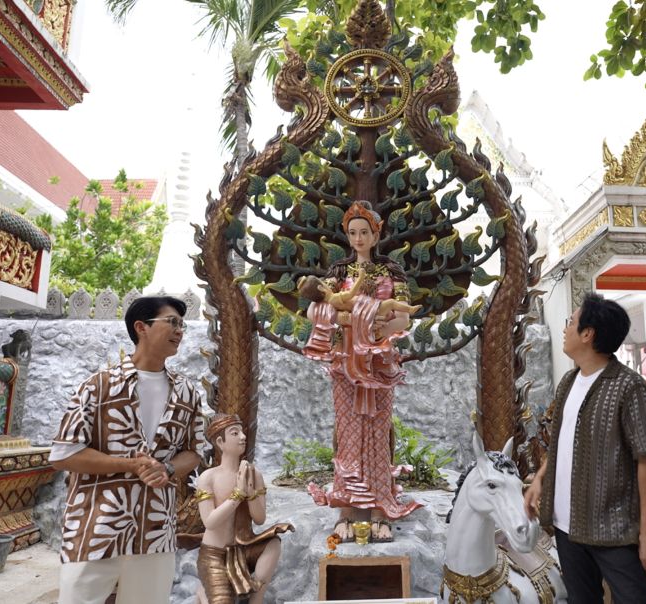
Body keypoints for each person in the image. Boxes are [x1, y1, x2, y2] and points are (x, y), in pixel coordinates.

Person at [49, 296, 207, 604]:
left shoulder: (187, 393)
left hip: (155, 530)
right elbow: (64, 454)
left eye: (182, 325)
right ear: (141, 327)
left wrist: (167, 469)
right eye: (172, 322)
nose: (180, 331)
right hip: (96, 527)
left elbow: (194, 451)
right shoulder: (98, 386)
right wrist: (129, 465)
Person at [523, 293, 646, 603]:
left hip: (613, 530)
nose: (565, 329)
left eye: (570, 322)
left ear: (587, 334)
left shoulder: (629, 386)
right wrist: (540, 479)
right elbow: (562, 441)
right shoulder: (568, 381)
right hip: (566, 526)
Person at [302, 200, 422, 542]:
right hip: (344, 360)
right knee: (348, 429)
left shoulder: (392, 272)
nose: (358, 238)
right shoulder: (338, 273)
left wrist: (375, 329)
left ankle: (380, 508)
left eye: (364, 232)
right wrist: (351, 319)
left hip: (380, 361)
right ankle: (346, 508)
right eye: (353, 232)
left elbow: (404, 318)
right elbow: (315, 310)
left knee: (378, 430)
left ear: (375, 234)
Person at [193, 414, 293, 604]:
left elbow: (259, 519)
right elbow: (209, 522)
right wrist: (238, 494)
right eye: (235, 433)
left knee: (273, 543)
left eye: (242, 432)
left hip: (243, 550)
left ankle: (256, 597)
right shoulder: (208, 478)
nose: (243, 437)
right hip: (215, 555)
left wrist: (251, 491)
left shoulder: (254, 474)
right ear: (220, 442)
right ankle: (203, 592)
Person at [297, 274, 422, 317]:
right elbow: (351, 293)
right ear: (321, 288)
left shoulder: (332, 301)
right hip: (368, 311)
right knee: (391, 303)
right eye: (325, 283)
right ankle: (410, 310)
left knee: (389, 310)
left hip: (367, 308)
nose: (327, 284)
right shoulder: (334, 298)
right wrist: (360, 278)